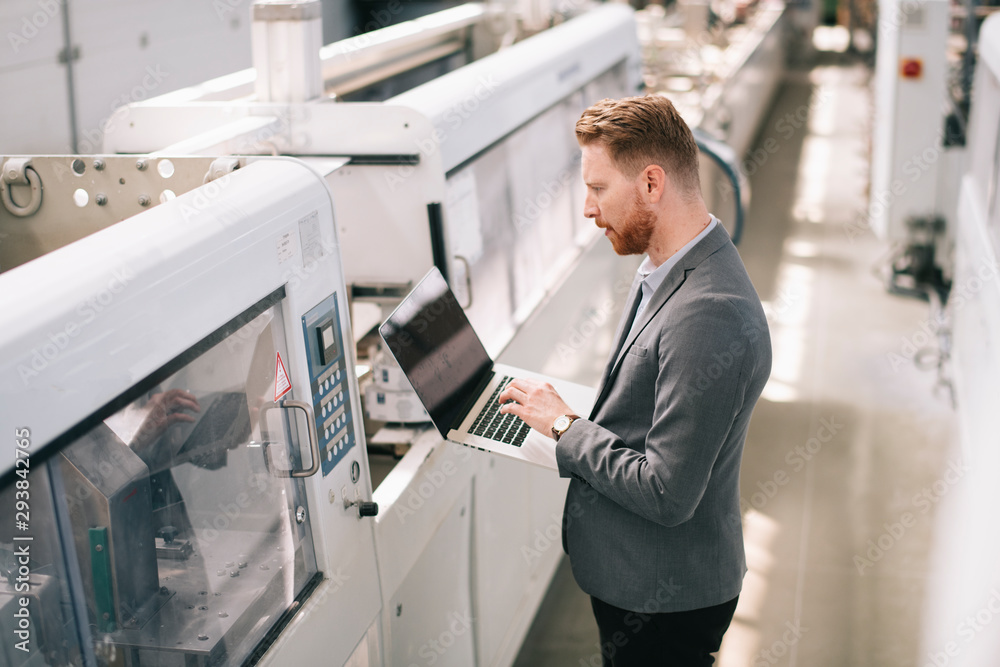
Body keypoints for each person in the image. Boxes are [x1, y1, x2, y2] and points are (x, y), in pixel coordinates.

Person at [497, 95, 772, 666]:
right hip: (643, 580)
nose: (588, 209)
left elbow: (667, 493)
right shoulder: (673, 266)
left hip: (664, 598)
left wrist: (565, 426)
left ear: (651, 183)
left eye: (598, 189)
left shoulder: (709, 313)